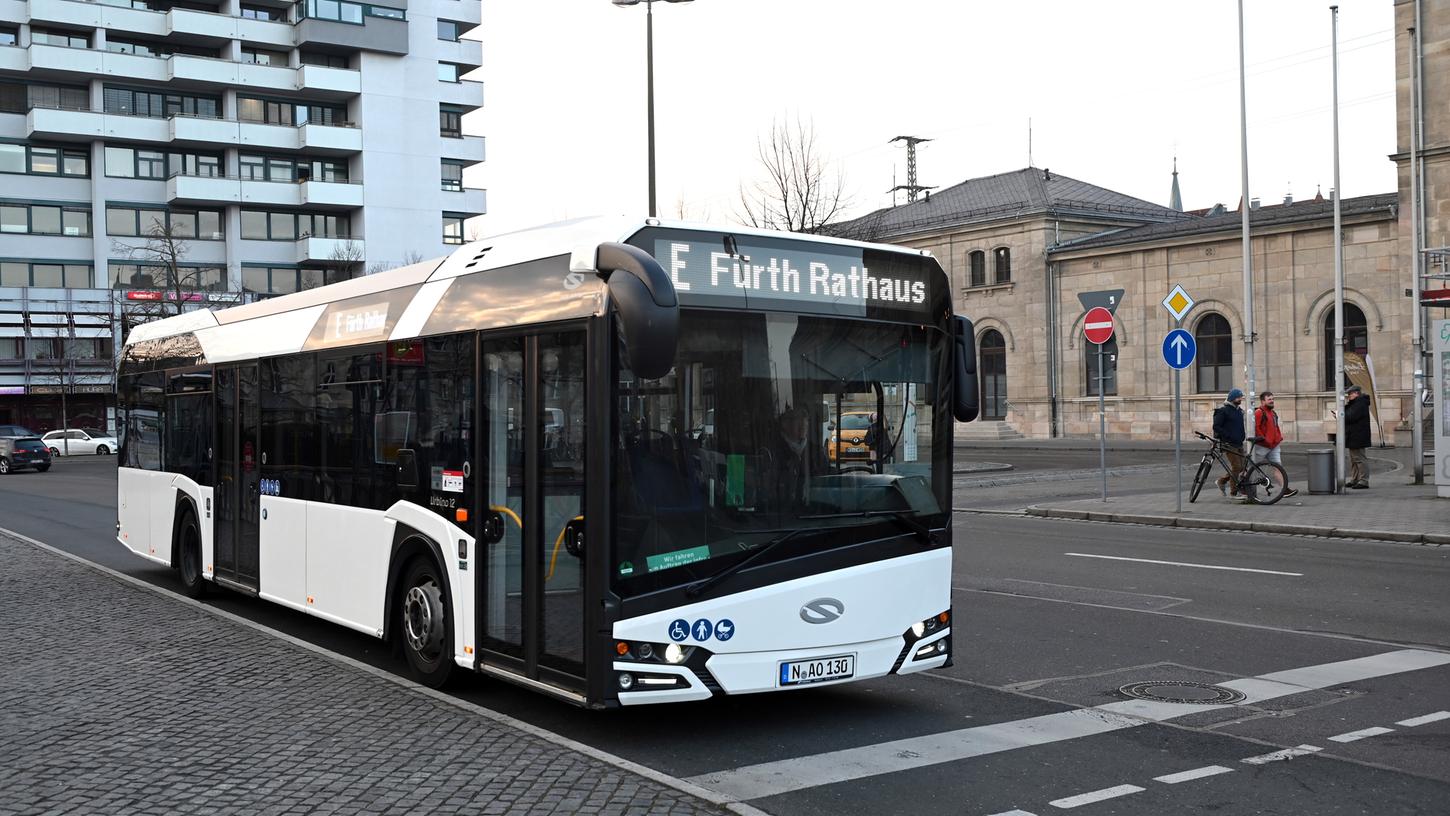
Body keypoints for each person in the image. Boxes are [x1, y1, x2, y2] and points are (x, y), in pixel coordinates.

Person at [767, 407, 825, 509]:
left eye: (806, 420)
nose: (803, 425)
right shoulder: (772, 450)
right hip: (780, 511)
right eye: (797, 420)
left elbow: (825, 480)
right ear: (785, 424)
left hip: (813, 509)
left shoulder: (817, 451)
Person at [1253, 391, 1299, 499]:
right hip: (1262, 446)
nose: (1272, 401)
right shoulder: (1259, 412)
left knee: (1278, 467)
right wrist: (1264, 440)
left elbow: (1275, 427)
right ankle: (1244, 488)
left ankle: (1284, 490)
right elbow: (1256, 428)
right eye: (1269, 399)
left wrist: (1278, 438)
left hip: (1274, 446)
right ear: (1263, 401)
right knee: (1253, 468)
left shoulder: (1273, 413)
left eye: (1272, 399)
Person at [1212, 387, 1247, 497]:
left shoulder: (1239, 411)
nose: (1240, 399)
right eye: (1238, 397)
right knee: (1236, 467)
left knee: (1242, 467)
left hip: (1239, 442)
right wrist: (1228, 436)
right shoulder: (1223, 411)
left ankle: (1222, 481)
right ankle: (1234, 493)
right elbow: (1216, 426)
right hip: (1228, 443)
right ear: (1233, 398)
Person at [1344, 384, 1372, 489]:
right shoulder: (1355, 403)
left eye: (1350, 394)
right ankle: (1355, 479)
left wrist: (1341, 415)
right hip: (1354, 435)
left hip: (1358, 435)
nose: (1349, 396)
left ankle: (1363, 480)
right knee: (1354, 459)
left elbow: (1351, 417)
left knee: (1360, 459)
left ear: (1356, 393)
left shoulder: (1360, 403)